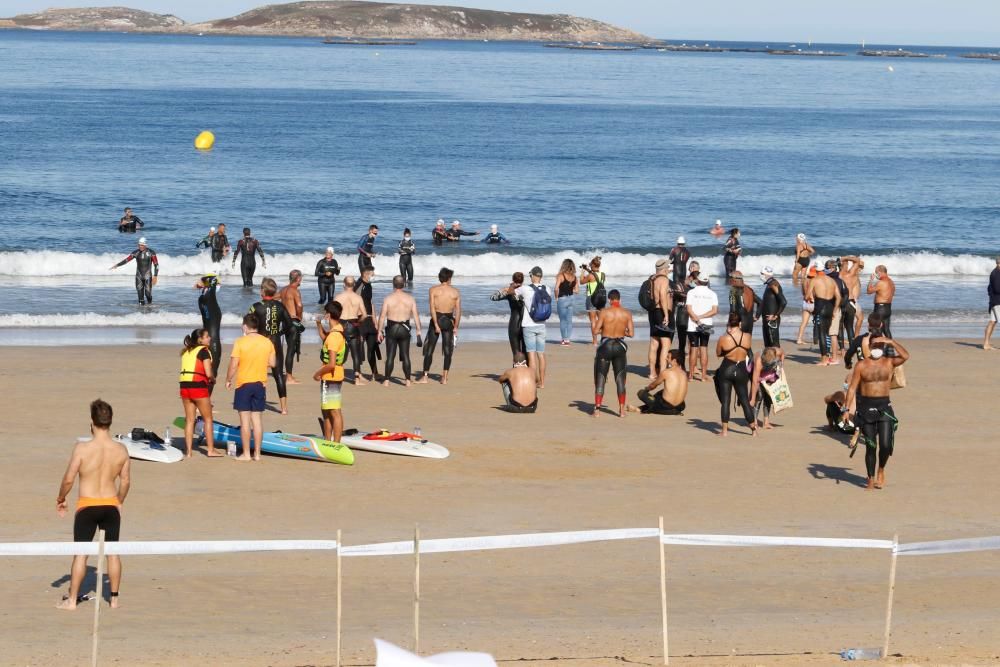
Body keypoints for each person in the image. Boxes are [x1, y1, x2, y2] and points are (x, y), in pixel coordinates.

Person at [55, 399, 130, 610]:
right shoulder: (121, 450)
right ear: (110, 422)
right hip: (110, 505)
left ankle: (71, 601)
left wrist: (61, 498)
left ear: (92, 422)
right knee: (112, 552)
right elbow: (125, 481)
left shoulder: (82, 448)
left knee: (81, 553)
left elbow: (69, 478)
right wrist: (119, 501)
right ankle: (114, 599)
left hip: (87, 505)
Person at [845, 337, 910, 489]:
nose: (877, 347)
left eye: (880, 345)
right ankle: (870, 478)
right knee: (871, 446)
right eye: (874, 344)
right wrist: (846, 410)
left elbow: (906, 356)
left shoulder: (889, 362)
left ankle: (881, 469)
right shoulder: (861, 365)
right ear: (869, 346)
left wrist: (891, 342)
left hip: (884, 407)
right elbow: (852, 388)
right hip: (866, 408)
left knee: (886, 445)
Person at [225, 313, 276, 461]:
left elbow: (234, 364)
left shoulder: (240, 342)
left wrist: (228, 379)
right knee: (257, 420)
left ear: (245, 326)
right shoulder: (267, 342)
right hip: (260, 383)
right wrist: (259, 363)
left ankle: (247, 454)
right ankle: (257, 454)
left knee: (245, 421)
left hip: (244, 383)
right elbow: (273, 363)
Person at [249, 278, 293, 415]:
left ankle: (258, 403)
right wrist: (279, 333)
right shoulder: (281, 306)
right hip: (275, 342)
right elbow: (290, 325)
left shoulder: (255, 306)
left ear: (262, 291)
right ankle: (284, 408)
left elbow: (247, 325)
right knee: (278, 374)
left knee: (258, 374)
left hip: (260, 343)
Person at [591, 289, 634, 418]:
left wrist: (605, 329)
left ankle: (597, 410)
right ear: (619, 299)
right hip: (620, 346)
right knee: (620, 378)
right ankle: (621, 411)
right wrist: (621, 331)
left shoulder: (604, 312)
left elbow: (595, 331)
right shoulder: (627, 313)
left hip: (605, 346)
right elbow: (631, 334)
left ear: (609, 300)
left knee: (601, 377)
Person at [714, 312, 757, 437]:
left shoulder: (723, 338)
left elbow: (718, 353)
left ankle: (725, 431)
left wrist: (727, 332)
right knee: (744, 400)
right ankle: (753, 430)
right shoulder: (747, 336)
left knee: (726, 401)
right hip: (741, 369)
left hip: (727, 367)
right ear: (740, 323)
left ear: (728, 323)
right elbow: (748, 350)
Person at [178, 329, 219, 457]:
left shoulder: (187, 352)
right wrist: (213, 379)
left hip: (184, 387)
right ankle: (211, 450)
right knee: (208, 419)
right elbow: (208, 373)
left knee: (190, 420)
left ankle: (189, 452)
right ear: (200, 339)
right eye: (207, 336)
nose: (210, 338)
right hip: (198, 387)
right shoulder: (204, 352)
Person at [377, 275, 422, 386]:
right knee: (406, 355)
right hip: (404, 329)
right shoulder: (410, 299)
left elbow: (382, 316)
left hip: (392, 329)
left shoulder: (388, 298)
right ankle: (407, 381)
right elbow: (416, 316)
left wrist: (379, 331)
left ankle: (387, 381)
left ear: (393, 284)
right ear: (404, 284)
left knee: (390, 355)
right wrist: (418, 331)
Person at [419, 267, 461, 384]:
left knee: (429, 349)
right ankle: (444, 378)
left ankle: (425, 377)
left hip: (436, 319)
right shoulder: (455, 292)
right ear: (448, 278)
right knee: (448, 351)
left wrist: (436, 324)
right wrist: (456, 327)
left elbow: (432, 308)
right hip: (449, 321)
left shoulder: (433, 290)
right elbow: (458, 312)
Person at [314, 301, 347, 442]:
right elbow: (324, 338)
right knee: (327, 411)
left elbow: (332, 363)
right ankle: (328, 440)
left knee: (334, 411)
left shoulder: (334, 337)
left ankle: (336, 443)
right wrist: (318, 324)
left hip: (330, 376)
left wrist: (318, 373)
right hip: (334, 376)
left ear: (328, 315)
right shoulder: (337, 330)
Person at [515, 266, 551, 388]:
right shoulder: (548, 289)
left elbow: (512, 292)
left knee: (531, 355)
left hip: (529, 325)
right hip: (542, 325)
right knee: (541, 354)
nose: (530, 277)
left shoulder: (525, 289)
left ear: (534, 276)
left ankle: (533, 381)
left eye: (530, 275)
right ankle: (542, 383)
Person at [331, 276, 371, 384]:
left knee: (339, 351)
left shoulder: (338, 297)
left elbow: (333, 314)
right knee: (355, 353)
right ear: (353, 285)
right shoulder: (358, 298)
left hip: (341, 325)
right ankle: (357, 379)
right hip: (353, 325)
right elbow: (365, 315)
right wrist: (358, 322)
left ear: (344, 284)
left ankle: (335, 373)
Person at [631, 350, 688, 415]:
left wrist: (646, 389)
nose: (666, 359)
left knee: (641, 393)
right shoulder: (684, 373)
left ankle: (643, 409)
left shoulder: (666, 372)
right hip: (680, 406)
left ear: (674, 360)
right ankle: (673, 410)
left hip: (665, 406)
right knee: (662, 392)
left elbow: (653, 385)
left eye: (668, 357)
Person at [685, 269, 718, 381]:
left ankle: (690, 376)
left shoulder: (691, 292)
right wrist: (702, 317)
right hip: (707, 324)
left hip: (693, 324)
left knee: (693, 349)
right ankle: (703, 376)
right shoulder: (712, 294)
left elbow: (689, 309)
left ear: (697, 280)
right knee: (704, 348)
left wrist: (697, 318)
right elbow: (714, 311)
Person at [806, 261, 841, 365]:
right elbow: (839, 297)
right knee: (827, 334)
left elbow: (807, 295)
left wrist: (811, 298)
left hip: (820, 306)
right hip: (830, 307)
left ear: (816, 270)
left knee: (822, 334)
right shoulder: (832, 280)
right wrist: (835, 310)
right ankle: (827, 357)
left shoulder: (814, 280)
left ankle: (824, 359)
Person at [110, 237, 158, 305]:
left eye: (142, 245)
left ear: (145, 245)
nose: (140, 246)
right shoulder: (136, 253)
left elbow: (156, 264)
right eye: (139, 245)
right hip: (139, 277)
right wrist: (117, 265)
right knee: (140, 299)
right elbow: (127, 260)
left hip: (148, 276)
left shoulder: (151, 252)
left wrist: (155, 276)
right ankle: (141, 312)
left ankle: (150, 305)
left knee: (148, 294)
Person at [196, 273, 222, 391]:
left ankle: (201, 399)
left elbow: (213, 281)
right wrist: (202, 281)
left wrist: (201, 284)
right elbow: (214, 279)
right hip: (213, 341)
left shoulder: (202, 299)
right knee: (212, 373)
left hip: (204, 339)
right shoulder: (210, 296)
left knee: (203, 371)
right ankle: (205, 401)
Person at [647, 258, 673, 377]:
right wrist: (666, 315)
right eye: (667, 267)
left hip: (652, 312)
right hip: (661, 312)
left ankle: (652, 373)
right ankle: (662, 372)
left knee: (654, 344)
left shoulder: (652, 279)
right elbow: (662, 296)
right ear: (663, 269)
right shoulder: (664, 279)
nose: (669, 269)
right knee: (665, 343)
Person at [491, 272, 526, 360]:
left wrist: (504, 289)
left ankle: (516, 372)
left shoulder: (509, 292)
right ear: (523, 280)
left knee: (516, 353)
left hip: (514, 324)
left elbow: (493, 297)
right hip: (526, 323)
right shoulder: (527, 291)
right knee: (526, 352)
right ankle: (527, 372)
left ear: (513, 280)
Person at [749, 346, 785, 430]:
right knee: (759, 396)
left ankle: (766, 422)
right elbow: (755, 382)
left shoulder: (777, 351)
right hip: (756, 372)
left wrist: (781, 366)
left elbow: (783, 354)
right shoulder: (759, 361)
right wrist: (753, 398)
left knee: (768, 396)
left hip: (769, 373)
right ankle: (754, 421)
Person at [279, 270, 305, 384]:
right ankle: (289, 377)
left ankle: (289, 375)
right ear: (298, 279)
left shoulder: (283, 290)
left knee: (290, 348)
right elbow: (299, 305)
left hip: (284, 321)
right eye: (301, 278)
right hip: (293, 322)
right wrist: (299, 317)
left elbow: (272, 298)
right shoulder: (295, 291)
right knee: (291, 349)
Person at [356, 268, 382, 381]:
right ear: (365, 274)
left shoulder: (369, 285)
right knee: (359, 349)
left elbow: (370, 303)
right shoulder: (359, 285)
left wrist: (375, 321)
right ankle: (359, 374)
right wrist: (358, 321)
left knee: (372, 347)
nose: (374, 275)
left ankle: (374, 373)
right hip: (360, 320)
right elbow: (354, 302)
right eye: (372, 273)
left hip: (370, 321)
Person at [672, 260, 698, 367]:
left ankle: (693, 367)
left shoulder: (703, 282)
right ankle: (681, 366)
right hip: (683, 313)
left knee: (694, 343)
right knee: (682, 342)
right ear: (688, 269)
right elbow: (675, 298)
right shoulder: (683, 281)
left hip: (695, 314)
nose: (693, 269)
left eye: (695, 267)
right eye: (691, 267)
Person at [580, 257, 605, 346]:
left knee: (593, 321)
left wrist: (583, 271)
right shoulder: (603, 274)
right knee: (601, 320)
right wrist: (588, 269)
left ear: (593, 265)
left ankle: (594, 341)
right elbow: (595, 276)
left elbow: (581, 281)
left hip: (591, 298)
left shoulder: (590, 276)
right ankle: (603, 339)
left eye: (591, 264)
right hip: (601, 298)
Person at [759, 267, 787, 348]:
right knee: (768, 345)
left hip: (772, 320)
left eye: (762, 274)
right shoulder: (769, 284)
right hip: (767, 319)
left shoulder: (773, 284)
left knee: (774, 344)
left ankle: (778, 360)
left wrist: (775, 315)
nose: (760, 275)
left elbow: (783, 301)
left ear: (766, 274)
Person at [867, 265, 896, 339]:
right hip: (888, 308)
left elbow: (869, 291)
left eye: (876, 273)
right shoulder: (892, 283)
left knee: (875, 329)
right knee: (886, 329)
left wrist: (871, 280)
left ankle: (877, 347)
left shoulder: (881, 282)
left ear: (880, 272)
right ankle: (890, 349)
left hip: (880, 308)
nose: (876, 275)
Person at [840, 255, 865, 337]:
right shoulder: (851, 274)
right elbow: (858, 261)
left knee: (844, 321)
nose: (848, 266)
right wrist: (847, 258)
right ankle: (856, 336)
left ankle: (844, 337)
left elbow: (861, 264)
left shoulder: (842, 275)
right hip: (852, 300)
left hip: (849, 300)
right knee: (859, 319)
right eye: (847, 264)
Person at [554, 259, 578, 346]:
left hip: (562, 299)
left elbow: (556, 289)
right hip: (571, 298)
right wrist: (570, 288)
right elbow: (577, 290)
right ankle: (568, 339)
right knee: (569, 321)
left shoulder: (561, 276)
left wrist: (556, 297)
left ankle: (564, 340)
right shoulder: (574, 277)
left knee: (563, 321)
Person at [796, 265, 817, 345]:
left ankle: (799, 339)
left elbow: (803, 293)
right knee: (819, 322)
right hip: (813, 302)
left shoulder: (804, 281)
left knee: (804, 322)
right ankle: (817, 338)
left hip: (806, 302)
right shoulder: (815, 281)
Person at [984, 256, 1000, 350]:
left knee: (992, 322)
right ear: (997, 263)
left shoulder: (994, 273)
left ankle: (986, 344)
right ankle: (986, 344)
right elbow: (998, 289)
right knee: (992, 322)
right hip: (998, 302)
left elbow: (989, 288)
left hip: (994, 302)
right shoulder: (996, 273)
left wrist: (991, 300)